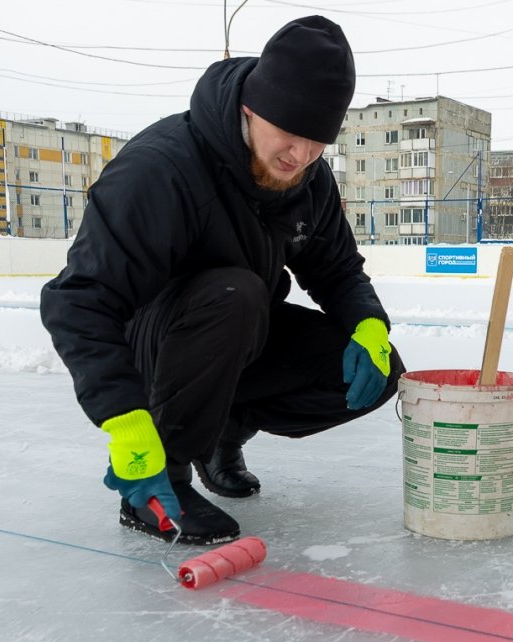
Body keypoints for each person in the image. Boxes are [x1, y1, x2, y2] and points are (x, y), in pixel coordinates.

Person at [40, 16, 404, 545]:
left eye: (317, 141)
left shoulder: (307, 178)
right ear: (250, 108)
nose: (300, 155)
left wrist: (369, 325)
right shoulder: (161, 169)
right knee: (234, 293)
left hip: (235, 332)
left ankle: (220, 433)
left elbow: (337, 269)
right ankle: (159, 477)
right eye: (289, 133)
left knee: (377, 368)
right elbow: (78, 301)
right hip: (154, 341)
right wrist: (124, 421)